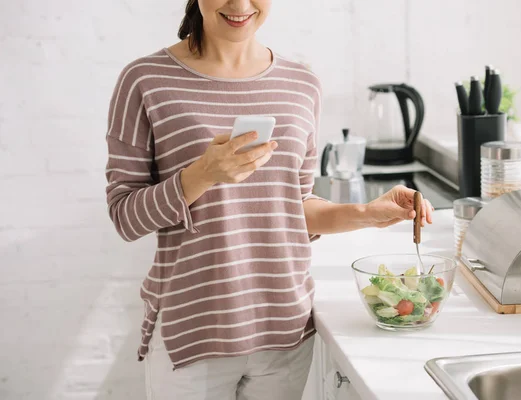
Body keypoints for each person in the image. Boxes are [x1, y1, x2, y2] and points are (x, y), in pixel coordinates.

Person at [104, 0, 433, 399]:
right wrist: (203, 173)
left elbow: (294, 209)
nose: (240, 5)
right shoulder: (145, 80)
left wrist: (366, 213)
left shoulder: (300, 83)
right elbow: (125, 216)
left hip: (285, 331)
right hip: (194, 332)